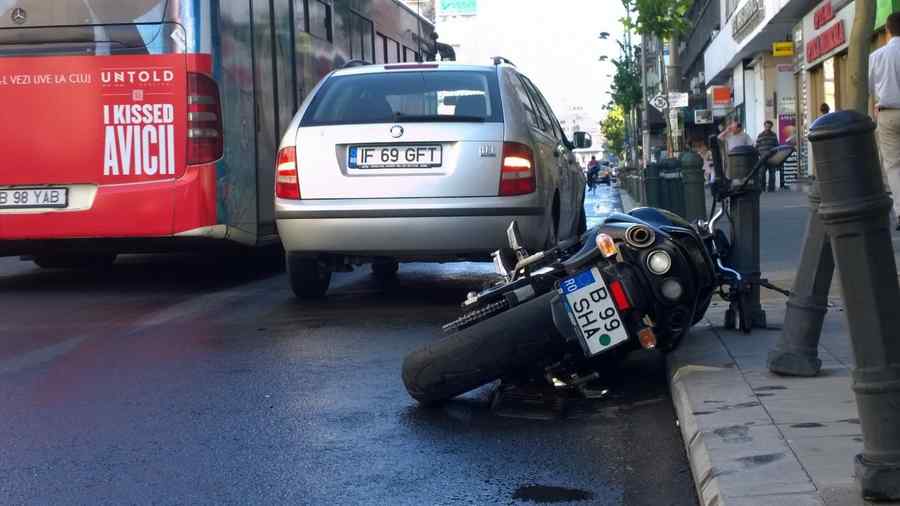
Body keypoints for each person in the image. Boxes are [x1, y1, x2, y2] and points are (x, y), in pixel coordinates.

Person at [869, 12, 900, 231]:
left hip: (887, 113)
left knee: (894, 166)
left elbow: (871, 88)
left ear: (888, 30)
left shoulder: (876, 56)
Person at [756, 120, 779, 191]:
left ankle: (771, 188)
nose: (768, 127)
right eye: (766, 126)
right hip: (763, 158)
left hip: (772, 157)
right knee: (762, 174)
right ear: (764, 126)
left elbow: (776, 146)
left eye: (769, 126)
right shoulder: (760, 135)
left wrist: (776, 155)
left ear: (771, 127)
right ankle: (762, 188)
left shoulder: (774, 135)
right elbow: (757, 146)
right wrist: (758, 155)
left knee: (772, 174)